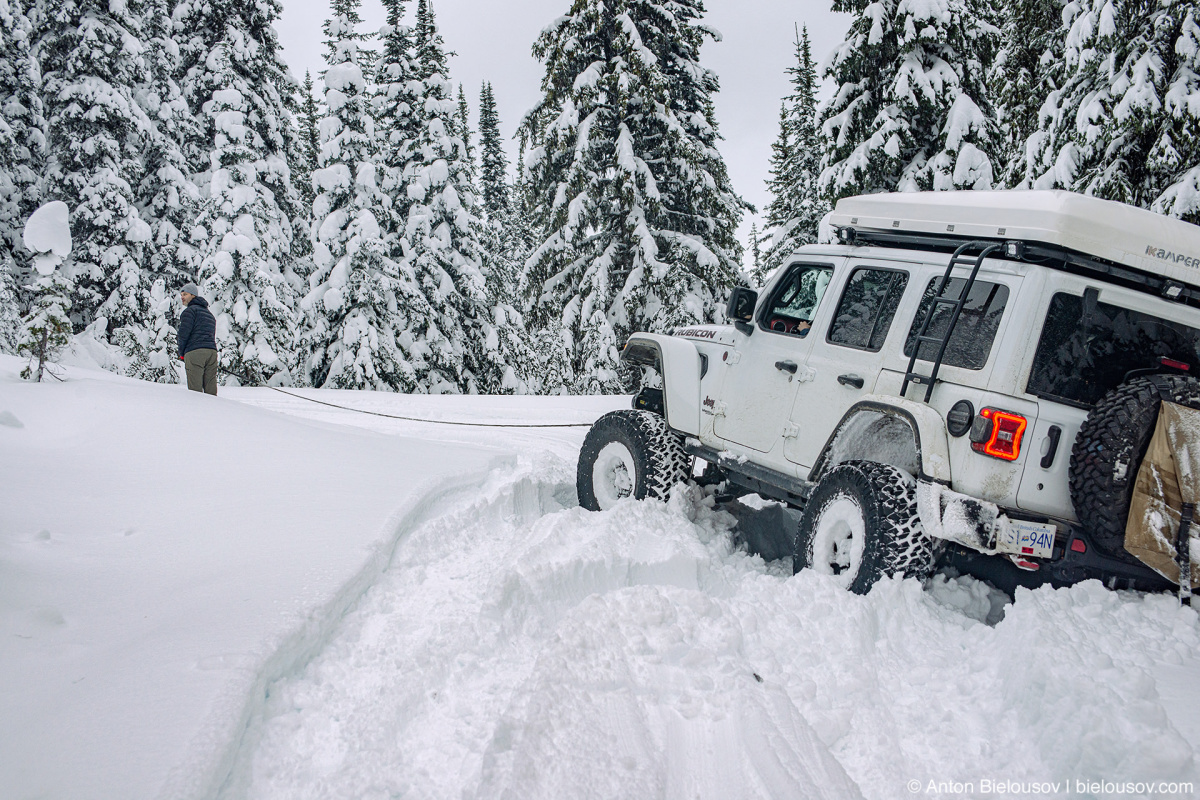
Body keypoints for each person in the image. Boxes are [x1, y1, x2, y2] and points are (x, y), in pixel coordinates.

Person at [177, 282, 218, 395]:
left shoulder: (189, 312)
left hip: (195, 352)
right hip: (211, 352)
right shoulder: (209, 314)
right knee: (210, 390)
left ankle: (196, 411)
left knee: (195, 391)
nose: (182, 297)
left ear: (193, 295)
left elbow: (183, 334)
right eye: (181, 295)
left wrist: (181, 353)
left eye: (185, 294)